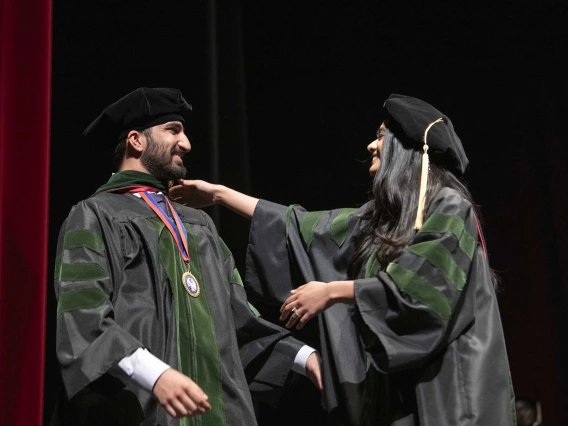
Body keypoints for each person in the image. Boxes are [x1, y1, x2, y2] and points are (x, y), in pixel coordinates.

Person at [170, 94, 516, 425]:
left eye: (381, 136)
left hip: (448, 389)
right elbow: (300, 227)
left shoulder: (451, 208)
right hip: (395, 395)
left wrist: (333, 290)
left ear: (410, 149)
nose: (370, 145)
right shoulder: (379, 221)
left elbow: (422, 292)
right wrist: (219, 194)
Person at [53, 87, 321, 426]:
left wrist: (306, 357)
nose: (187, 143)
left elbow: (240, 321)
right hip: (139, 411)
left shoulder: (199, 224)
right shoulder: (94, 215)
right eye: (173, 130)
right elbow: (83, 318)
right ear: (136, 140)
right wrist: (154, 374)